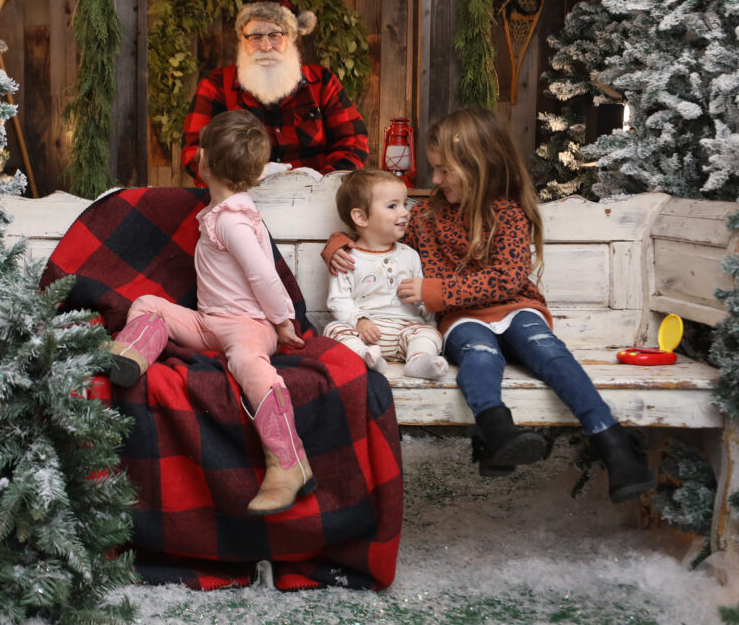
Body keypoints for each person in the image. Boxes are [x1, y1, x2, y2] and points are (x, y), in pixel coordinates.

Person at [322, 109, 656, 502]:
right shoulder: (427, 216)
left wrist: (438, 292)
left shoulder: (509, 214)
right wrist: (336, 246)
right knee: (479, 354)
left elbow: (507, 278)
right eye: (435, 169)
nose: (437, 180)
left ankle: (613, 443)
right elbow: (374, 232)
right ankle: (497, 431)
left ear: (478, 166)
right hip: (462, 319)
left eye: (445, 171)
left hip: (516, 306)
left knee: (548, 352)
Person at [109, 109, 313, 517]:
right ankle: (126, 357)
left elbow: (264, 274)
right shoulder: (223, 211)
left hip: (248, 328)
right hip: (210, 323)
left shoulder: (234, 222)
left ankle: (290, 463)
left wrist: (282, 321)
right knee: (152, 305)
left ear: (202, 160)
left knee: (249, 366)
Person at [181, 0, 369, 184]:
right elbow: (194, 152)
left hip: (315, 200)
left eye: (275, 35)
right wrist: (244, 176)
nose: (265, 46)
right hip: (242, 197)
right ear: (242, 41)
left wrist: (321, 182)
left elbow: (353, 141)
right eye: (255, 36)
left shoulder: (322, 82)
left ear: (291, 38)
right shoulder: (216, 85)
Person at [324, 169, 448, 381]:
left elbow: (423, 302)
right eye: (393, 206)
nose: (405, 212)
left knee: (430, 334)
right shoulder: (346, 257)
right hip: (364, 333)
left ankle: (418, 360)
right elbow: (338, 301)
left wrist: (430, 326)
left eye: (405, 204)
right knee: (332, 329)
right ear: (361, 217)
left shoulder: (410, 255)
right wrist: (359, 321)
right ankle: (364, 357)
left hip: (405, 330)